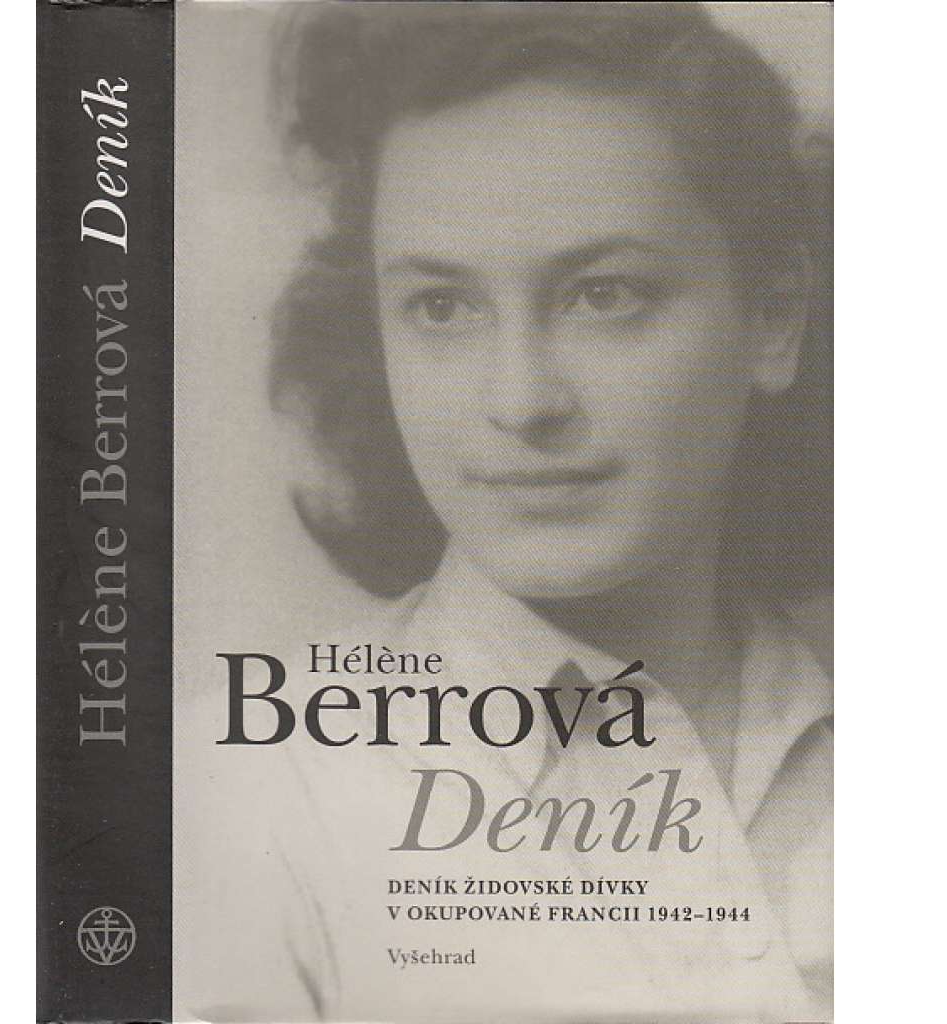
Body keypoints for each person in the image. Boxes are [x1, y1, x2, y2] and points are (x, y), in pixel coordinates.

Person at [176, 4, 832, 1021]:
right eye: (441, 307)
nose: (521, 400)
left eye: (605, 294)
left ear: (774, 316)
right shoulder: (238, 801)